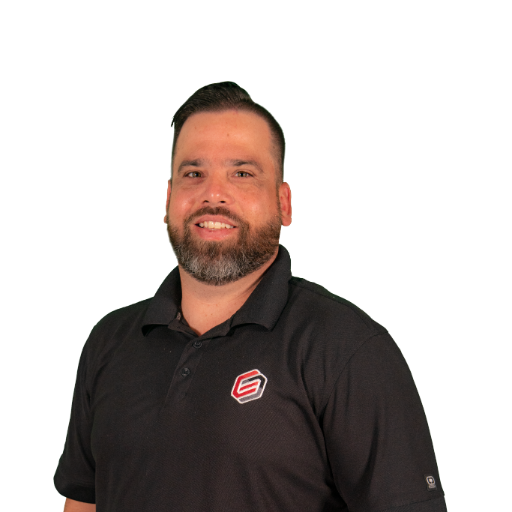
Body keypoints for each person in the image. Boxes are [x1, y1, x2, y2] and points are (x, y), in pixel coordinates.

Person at [54, 82, 447, 511]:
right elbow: (84, 501)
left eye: (242, 174)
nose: (213, 193)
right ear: (167, 200)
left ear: (284, 203)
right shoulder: (108, 341)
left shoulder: (347, 349)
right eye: (193, 174)